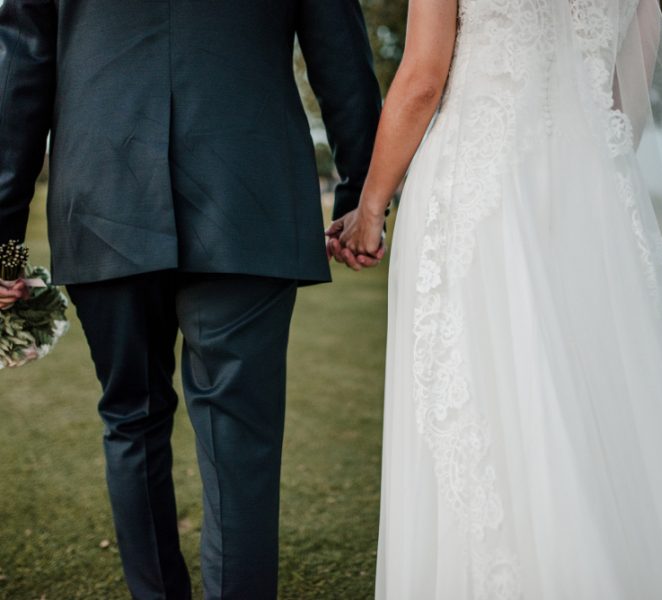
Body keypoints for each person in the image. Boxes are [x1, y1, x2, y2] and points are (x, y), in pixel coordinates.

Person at [328, 0, 662, 597]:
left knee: (495, 399)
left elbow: (420, 80)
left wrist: (370, 207)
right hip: (595, 192)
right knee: (610, 394)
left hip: (483, 192)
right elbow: (630, 91)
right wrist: (585, 152)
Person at [0, 1, 381, 598]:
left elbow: (21, 70)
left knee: (131, 417)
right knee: (240, 438)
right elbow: (340, 55)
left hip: (105, 195)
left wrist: (3, 243)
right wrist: (363, 192)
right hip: (246, 197)